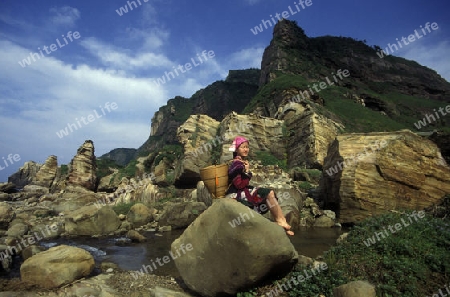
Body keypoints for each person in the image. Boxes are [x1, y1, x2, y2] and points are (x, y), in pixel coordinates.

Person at [225, 136, 294, 236]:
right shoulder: (236, 164)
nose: (246, 149)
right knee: (266, 194)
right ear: (237, 149)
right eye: (243, 147)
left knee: (269, 193)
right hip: (235, 193)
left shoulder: (241, 162)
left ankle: (281, 221)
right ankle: (281, 222)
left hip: (242, 190)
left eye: (247, 147)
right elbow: (239, 185)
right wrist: (247, 172)